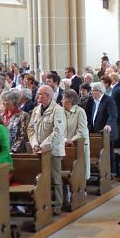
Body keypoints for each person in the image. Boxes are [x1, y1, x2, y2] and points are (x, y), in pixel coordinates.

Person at [27, 85, 67, 215]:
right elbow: (31, 128)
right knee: (40, 179)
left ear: (48, 96)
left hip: (53, 150)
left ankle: (58, 204)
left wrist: (43, 146)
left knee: (55, 178)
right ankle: (43, 202)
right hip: (38, 150)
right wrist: (34, 144)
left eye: (40, 94)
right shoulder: (36, 110)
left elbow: (57, 131)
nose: (37, 96)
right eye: (37, 94)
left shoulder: (58, 110)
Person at [62, 89, 90, 181]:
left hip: (77, 146)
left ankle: (81, 187)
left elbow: (82, 131)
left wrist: (72, 140)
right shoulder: (61, 111)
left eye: (63, 99)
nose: (61, 101)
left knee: (78, 172)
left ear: (70, 101)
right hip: (64, 145)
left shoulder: (80, 111)